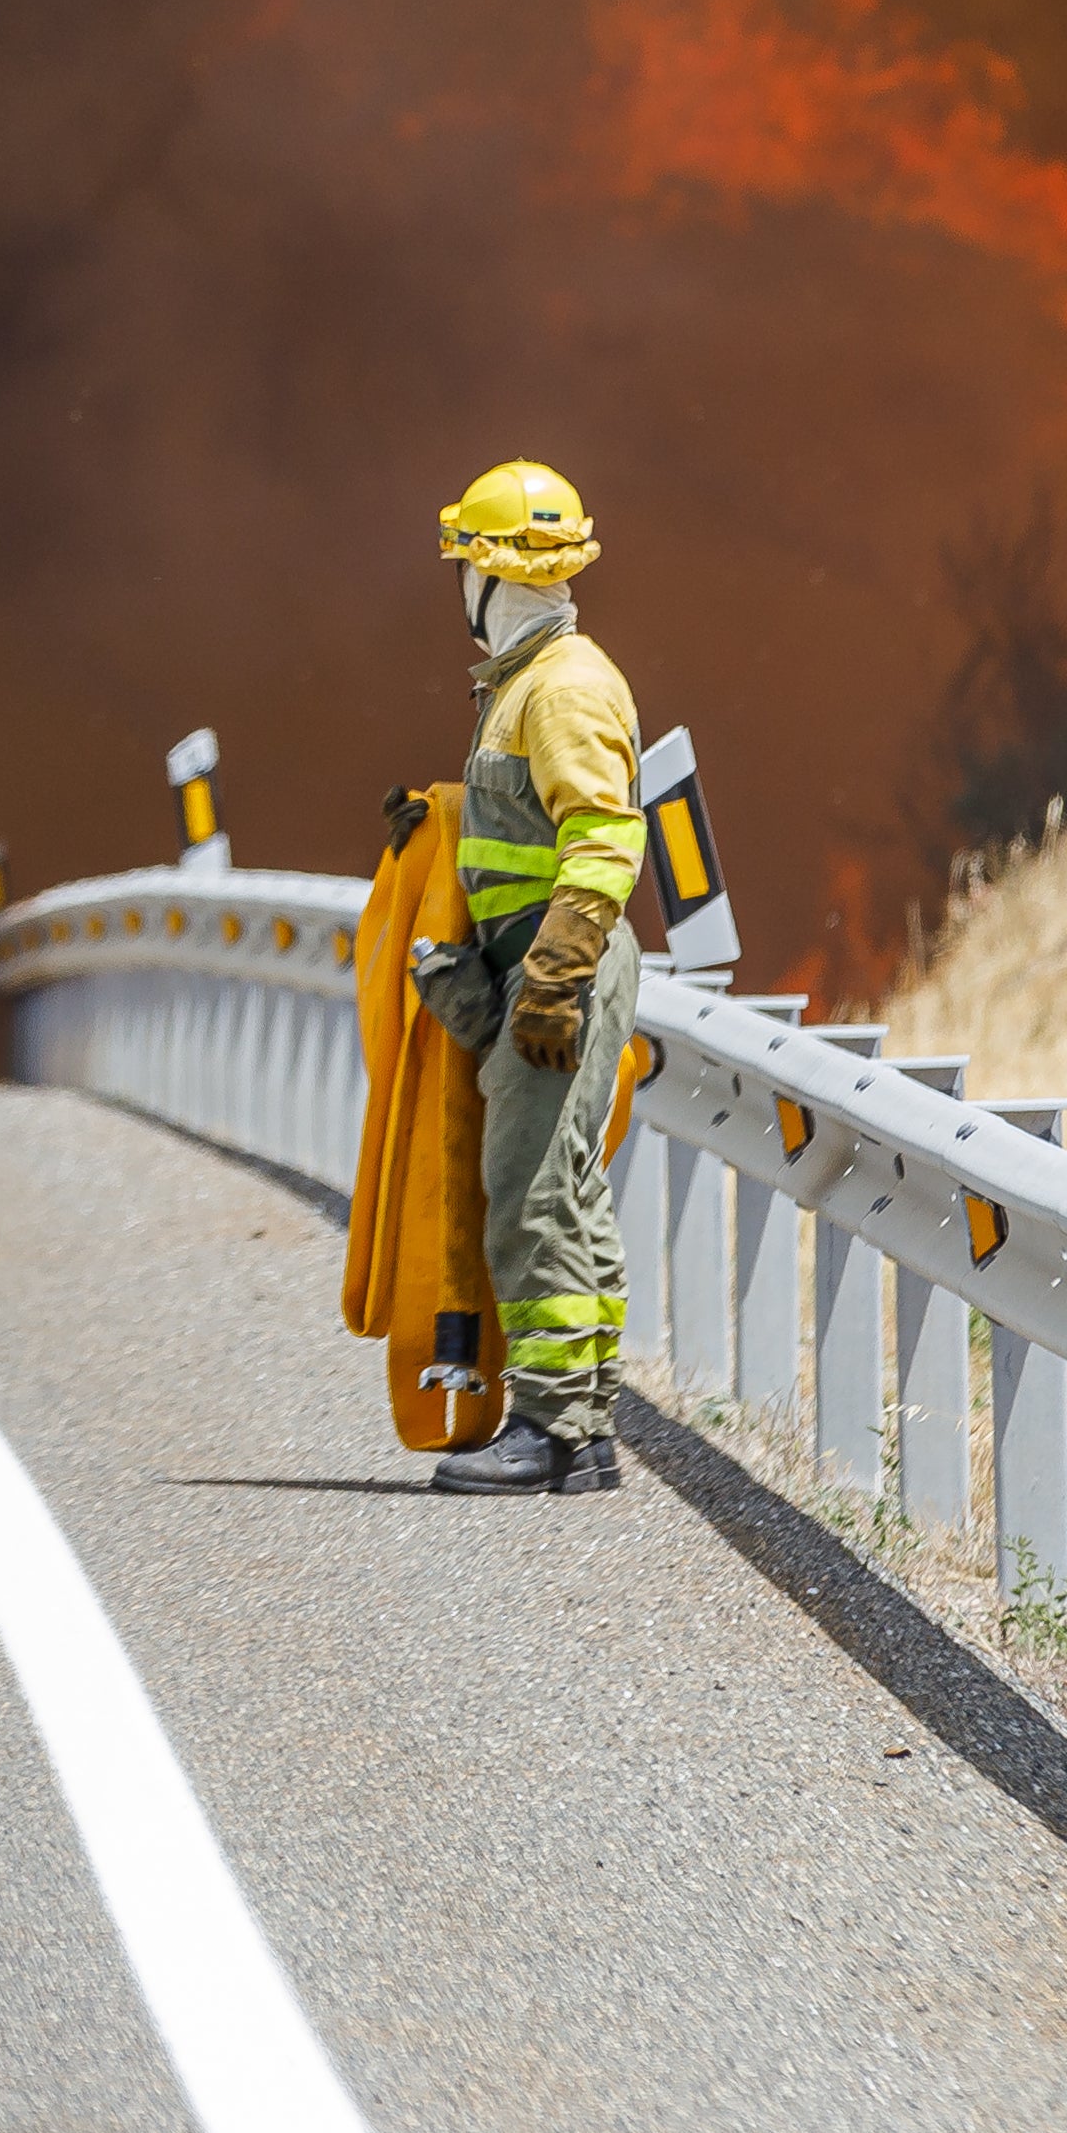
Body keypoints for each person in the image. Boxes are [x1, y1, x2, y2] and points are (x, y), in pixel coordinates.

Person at [396, 459, 639, 1498]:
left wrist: (550, 980)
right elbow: (526, 829)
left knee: (530, 1195)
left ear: (487, 577)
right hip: (539, 964)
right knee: (567, 1192)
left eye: (462, 565)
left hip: (561, 967)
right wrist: (438, 827)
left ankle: (545, 1426)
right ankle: (582, 1428)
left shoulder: (563, 687)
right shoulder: (526, 686)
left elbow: (599, 840)